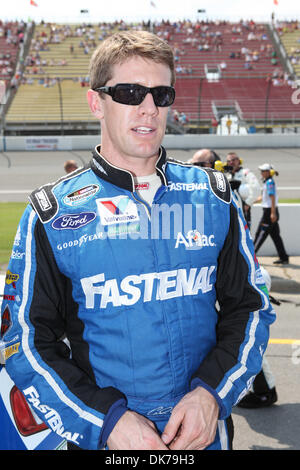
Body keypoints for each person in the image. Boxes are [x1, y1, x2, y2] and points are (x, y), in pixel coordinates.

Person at [1, 30, 275, 451]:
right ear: (97, 102)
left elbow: (251, 308)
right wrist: (105, 421)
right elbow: (24, 341)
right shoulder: (51, 214)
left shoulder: (214, 196)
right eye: (129, 92)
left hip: (202, 435)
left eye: (161, 94)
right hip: (107, 439)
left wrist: (212, 395)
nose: (148, 108)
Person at [254, 163, 289, 264]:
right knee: (276, 236)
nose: (261, 173)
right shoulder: (267, 182)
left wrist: (273, 213)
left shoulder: (269, 183)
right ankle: (284, 257)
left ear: (269, 172)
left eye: (263, 171)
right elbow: (263, 197)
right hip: (270, 211)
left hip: (269, 213)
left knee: (260, 235)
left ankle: (251, 256)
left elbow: (272, 197)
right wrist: (250, 202)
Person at [226, 152, 261, 229]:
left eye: (233, 160)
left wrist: (248, 203)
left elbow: (256, 188)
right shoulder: (226, 175)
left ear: (239, 161)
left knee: (244, 236)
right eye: (229, 161)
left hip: (242, 210)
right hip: (229, 210)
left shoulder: (246, 173)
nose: (231, 162)